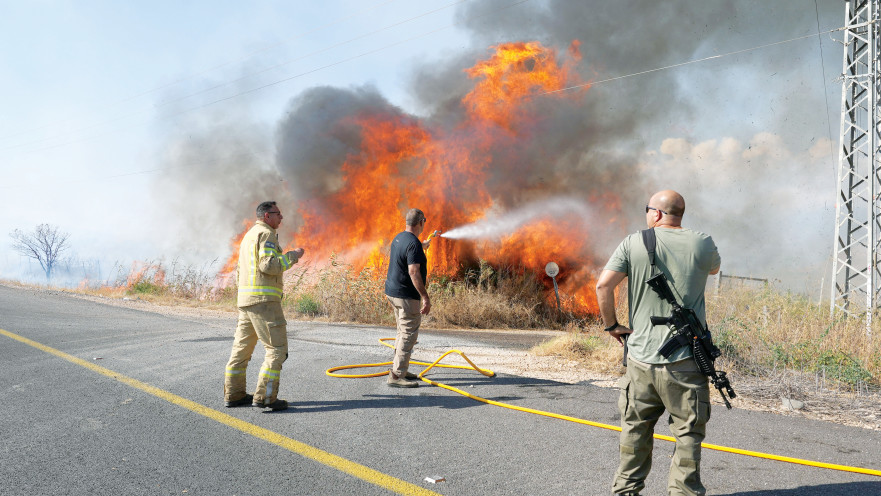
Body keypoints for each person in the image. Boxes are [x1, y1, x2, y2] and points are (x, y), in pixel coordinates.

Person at [595, 190, 721, 496]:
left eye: (647, 210)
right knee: (688, 434)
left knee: (635, 432)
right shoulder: (702, 242)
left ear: (657, 214)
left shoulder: (633, 242)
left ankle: (626, 491)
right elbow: (713, 269)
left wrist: (612, 326)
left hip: (639, 360)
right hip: (686, 362)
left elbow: (603, 285)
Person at [224, 201, 305, 411]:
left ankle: (234, 394)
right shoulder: (266, 234)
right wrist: (293, 256)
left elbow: (240, 271)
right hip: (264, 302)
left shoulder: (248, 237)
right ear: (267, 216)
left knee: (241, 351)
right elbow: (268, 265)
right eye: (279, 214)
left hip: (246, 302)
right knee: (277, 350)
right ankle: (265, 397)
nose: (282, 218)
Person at [384, 208, 433, 388]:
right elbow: (413, 271)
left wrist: (422, 246)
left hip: (393, 292)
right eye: (424, 221)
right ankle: (396, 376)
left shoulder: (400, 238)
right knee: (408, 334)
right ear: (420, 222)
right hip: (406, 295)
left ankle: (400, 368)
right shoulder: (413, 244)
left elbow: (409, 251)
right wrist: (425, 298)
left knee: (401, 331)